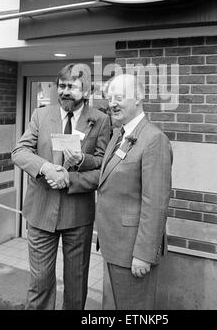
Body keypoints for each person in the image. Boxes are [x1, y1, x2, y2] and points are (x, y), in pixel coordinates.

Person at [48, 73, 173, 309]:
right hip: (114, 246)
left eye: (119, 97)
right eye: (109, 97)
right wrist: (79, 163)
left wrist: (144, 254)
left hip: (133, 251)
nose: (112, 103)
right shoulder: (119, 134)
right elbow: (105, 176)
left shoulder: (154, 139)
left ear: (139, 98)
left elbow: (155, 203)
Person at [11, 63, 110, 310]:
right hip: (40, 212)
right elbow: (19, 151)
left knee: (76, 285)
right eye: (62, 86)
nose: (65, 92)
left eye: (72, 87)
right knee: (40, 282)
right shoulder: (41, 115)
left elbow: (104, 168)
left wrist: (81, 163)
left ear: (86, 91)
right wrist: (46, 168)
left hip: (78, 215)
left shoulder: (100, 120)